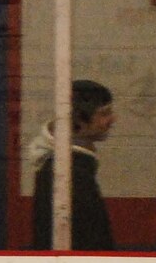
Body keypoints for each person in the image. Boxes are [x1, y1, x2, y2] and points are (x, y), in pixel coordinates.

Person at [30, 80, 117, 250]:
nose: (112, 119)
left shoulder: (68, 166)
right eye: (104, 113)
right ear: (78, 119)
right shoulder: (66, 172)